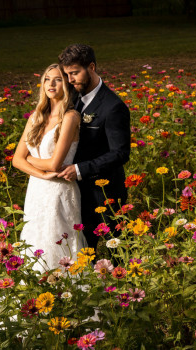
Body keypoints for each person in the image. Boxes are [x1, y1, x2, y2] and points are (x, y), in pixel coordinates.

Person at [13, 63, 86, 273]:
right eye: (47, 79)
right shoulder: (37, 116)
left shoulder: (70, 117)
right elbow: (16, 159)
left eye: (57, 80)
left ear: (67, 85)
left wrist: (30, 159)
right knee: (35, 240)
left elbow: (54, 163)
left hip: (59, 191)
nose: (51, 84)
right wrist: (42, 175)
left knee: (57, 242)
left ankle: (66, 297)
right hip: (37, 189)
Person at [57, 44, 131, 250]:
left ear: (91, 67)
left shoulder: (113, 106)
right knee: (82, 248)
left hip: (105, 191)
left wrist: (80, 169)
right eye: (67, 74)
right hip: (74, 190)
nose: (70, 80)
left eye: (74, 73)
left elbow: (121, 153)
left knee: (118, 249)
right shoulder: (70, 98)